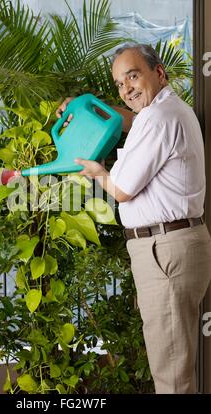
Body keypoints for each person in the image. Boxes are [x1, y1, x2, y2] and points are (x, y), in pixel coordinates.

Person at [56, 43, 211, 394]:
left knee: (171, 375)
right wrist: (91, 109)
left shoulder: (159, 118)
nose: (126, 88)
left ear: (159, 72)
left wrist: (97, 172)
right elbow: (131, 120)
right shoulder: (162, 111)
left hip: (164, 249)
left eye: (133, 75)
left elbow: (123, 189)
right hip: (171, 246)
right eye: (119, 84)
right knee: (172, 361)